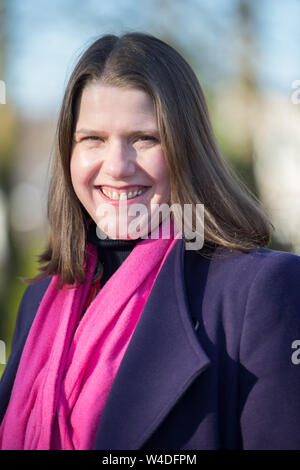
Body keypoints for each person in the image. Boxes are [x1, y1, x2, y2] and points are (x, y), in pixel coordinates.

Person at [0, 31, 300, 451]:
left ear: (186, 148)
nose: (118, 166)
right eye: (93, 139)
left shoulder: (261, 291)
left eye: (144, 138)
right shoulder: (41, 301)